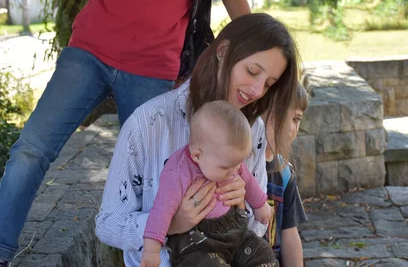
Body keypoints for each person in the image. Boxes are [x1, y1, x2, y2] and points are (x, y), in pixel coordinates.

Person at [0, 0, 251, 264]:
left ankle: (167, 257)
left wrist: (254, 53)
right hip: (88, 53)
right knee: (31, 149)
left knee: (161, 176)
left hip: (154, 71)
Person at [96, 13, 299, 267]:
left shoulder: (253, 128)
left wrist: (240, 207)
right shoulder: (148, 123)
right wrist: (171, 223)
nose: (257, 91)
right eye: (252, 71)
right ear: (223, 51)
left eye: (269, 84)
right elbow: (108, 223)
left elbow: (256, 229)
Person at [141, 100, 277, 267]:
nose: (235, 171)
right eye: (226, 167)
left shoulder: (227, 161)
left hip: (234, 230)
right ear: (198, 156)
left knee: (262, 252)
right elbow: (161, 211)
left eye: (238, 164)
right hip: (196, 243)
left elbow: (248, 180)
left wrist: (260, 204)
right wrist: (151, 250)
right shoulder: (178, 173)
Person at [264, 85, 308, 266]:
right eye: (282, 115)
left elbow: (290, 233)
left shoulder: (284, 173)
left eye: (296, 119)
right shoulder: (239, 167)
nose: (291, 127)